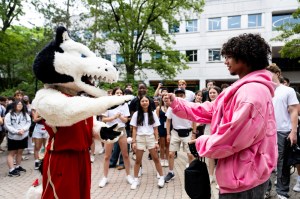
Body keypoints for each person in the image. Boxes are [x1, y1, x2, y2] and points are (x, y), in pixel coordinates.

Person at [167, 33, 277, 198]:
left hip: (244, 179)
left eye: (229, 56)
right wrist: (178, 103)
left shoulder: (251, 92)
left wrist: (200, 143)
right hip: (242, 174)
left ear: (245, 57)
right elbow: (212, 110)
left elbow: (232, 137)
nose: (225, 61)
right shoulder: (244, 88)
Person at [265, 63, 299, 199]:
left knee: (282, 163)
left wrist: (293, 131)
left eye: (269, 74)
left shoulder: (287, 91)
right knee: (264, 162)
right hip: (265, 132)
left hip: (282, 130)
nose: (267, 77)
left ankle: (282, 191)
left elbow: (294, 111)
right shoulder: (263, 90)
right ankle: (265, 190)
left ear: (277, 74)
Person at [98, 87, 133, 188]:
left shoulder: (125, 105)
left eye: (120, 93)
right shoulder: (108, 105)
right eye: (117, 93)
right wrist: (114, 117)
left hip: (121, 130)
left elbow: (126, 120)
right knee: (107, 156)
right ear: (113, 94)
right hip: (110, 131)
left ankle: (128, 175)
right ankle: (105, 177)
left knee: (125, 155)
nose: (119, 94)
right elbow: (104, 119)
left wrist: (120, 117)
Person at [130, 95, 165, 190]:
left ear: (149, 102)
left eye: (146, 101)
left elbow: (155, 129)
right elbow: (134, 129)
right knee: (138, 160)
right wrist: (133, 142)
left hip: (150, 138)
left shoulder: (153, 114)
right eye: (142, 101)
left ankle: (161, 177)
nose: (144, 102)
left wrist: (156, 141)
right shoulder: (136, 114)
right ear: (140, 103)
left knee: (156, 158)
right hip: (140, 138)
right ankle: (135, 180)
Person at [164, 88, 194, 183]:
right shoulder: (171, 107)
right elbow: (168, 121)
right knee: (170, 153)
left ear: (184, 96)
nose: (179, 97)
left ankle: (191, 172)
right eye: (177, 95)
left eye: (181, 95)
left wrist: (193, 134)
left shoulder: (189, 105)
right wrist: (168, 133)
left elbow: (194, 120)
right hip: (175, 132)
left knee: (190, 154)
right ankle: (171, 172)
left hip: (187, 132)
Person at [4, 100, 31, 177]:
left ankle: (18, 166)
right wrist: (16, 131)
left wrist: (24, 130)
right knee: (12, 153)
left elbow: (28, 123)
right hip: (13, 137)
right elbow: (7, 126)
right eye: (18, 104)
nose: (20, 105)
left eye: (21, 104)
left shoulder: (25, 114)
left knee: (20, 152)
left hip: (23, 136)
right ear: (14, 105)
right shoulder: (9, 115)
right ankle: (11, 170)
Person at [156, 94, 170, 167]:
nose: (166, 99)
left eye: (167, 98)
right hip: (161, 127)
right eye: (164, 98)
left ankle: (167, 159)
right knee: (162, 145)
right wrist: (156, 131)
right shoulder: (159, 108)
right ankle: (162, 159)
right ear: (162, 99)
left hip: (168, 127)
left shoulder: (170, 107)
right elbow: (156, 119)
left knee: (168, 145)